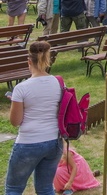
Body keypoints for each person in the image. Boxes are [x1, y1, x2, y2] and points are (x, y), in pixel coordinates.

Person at [5, 41, 63, 195]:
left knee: (13, 189)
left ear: (29, 61)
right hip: (54, 141)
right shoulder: (58, 83)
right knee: (45, 189)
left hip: (28, 143)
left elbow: (15, 121)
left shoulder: (21, 88)